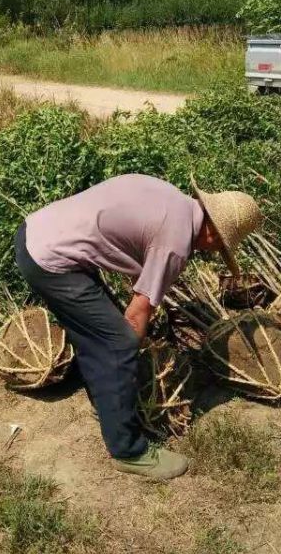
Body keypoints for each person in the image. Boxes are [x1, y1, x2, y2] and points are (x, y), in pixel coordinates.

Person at [14, 174, 261, 480]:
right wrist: (135, 354)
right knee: (119, 344)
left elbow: (135, 259)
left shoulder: (172, 199)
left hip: (35, 232)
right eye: (220, 245)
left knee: (98, 332)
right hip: (51, 260)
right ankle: (129, 451)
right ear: (213, 233)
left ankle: (106, 399)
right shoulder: (176, 243)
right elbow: (136, 315)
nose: (212, 251)